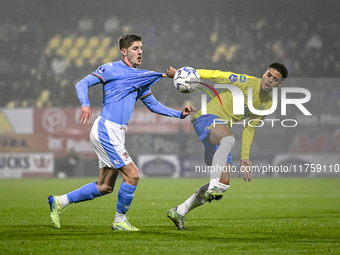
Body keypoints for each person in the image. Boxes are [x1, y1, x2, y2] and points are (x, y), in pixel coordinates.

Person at [47, 33, 195, 231]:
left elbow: (153, 105)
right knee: (133, 175)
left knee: (105, 186)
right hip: (106, 129)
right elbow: (81, 83)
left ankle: (59, 201)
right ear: (124, 51)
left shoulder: (140, 77)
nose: (140, 51)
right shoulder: (111, 68)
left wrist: (179, 114)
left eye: (141, 48)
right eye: (135, 48)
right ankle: (119, 221)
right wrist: (85, 105)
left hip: (117, 132)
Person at [166, 62, 288, 230]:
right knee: (229, 140)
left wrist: (245, 158)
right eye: (269, 75)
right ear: (264, 73)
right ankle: (213, 181)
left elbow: (250, 128)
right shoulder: (246, 82)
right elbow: (219, 74)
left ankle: (179, 211)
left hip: (220, 133)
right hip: (207, 118)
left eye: (275, 79)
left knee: (223, 184)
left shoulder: (266, 104)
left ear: (279, 84)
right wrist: (185, 74)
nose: (269, 80)